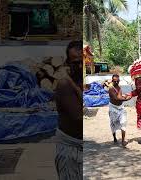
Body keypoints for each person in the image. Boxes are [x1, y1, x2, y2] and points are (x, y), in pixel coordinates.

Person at [54, 40, 83, 180]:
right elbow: (78, 117)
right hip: (71, 149)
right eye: (76, 62)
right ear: (68, 63)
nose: (80, 66)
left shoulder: (77, 83)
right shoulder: (64, 84)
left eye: (83, 61)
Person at [108, 74, 132, 147]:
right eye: (114, 81)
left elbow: (120, 96)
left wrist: (125, 96)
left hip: (121, 107)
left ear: (119, 81)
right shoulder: (111, 89)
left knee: (123, 122)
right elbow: (116, 98)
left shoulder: (119, 87)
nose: (116, 82)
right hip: (113, 108)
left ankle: (123, 140)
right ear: (112, 81)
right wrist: (127, 98)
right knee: (113, 123)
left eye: (117, 81)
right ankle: (114, 137)